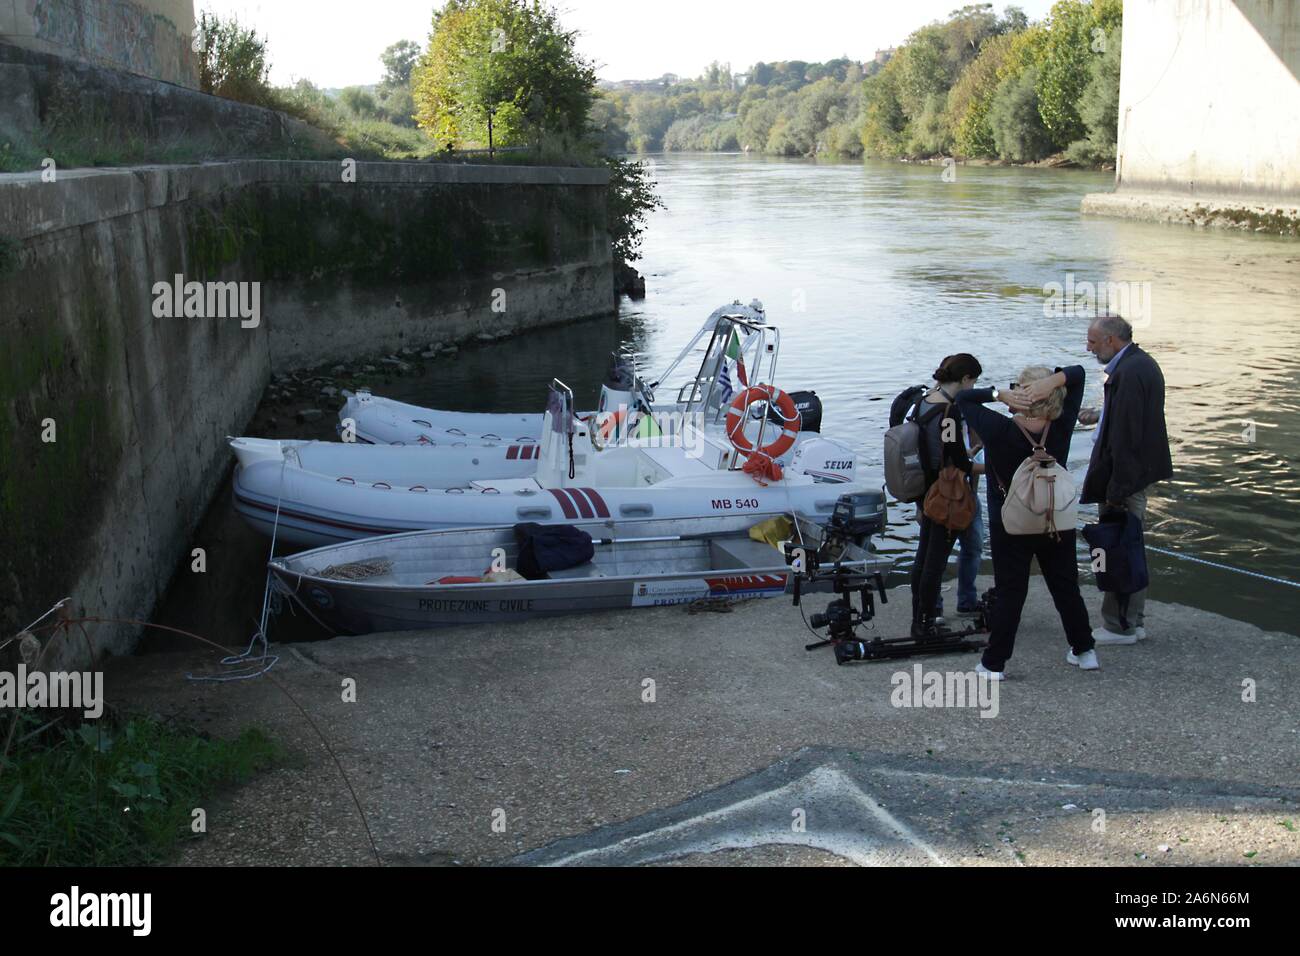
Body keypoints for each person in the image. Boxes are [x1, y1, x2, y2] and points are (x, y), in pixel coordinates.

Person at [956, 365, 1096, 678]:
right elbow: (1078, 374)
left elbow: (964, 400)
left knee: (1010, 592)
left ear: (1021, 394)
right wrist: (1053, 381)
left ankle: (993, 664)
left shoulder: (997, 428)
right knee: (1065, 587)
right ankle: (1085, 651)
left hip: (1012, 524)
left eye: (1017, 387)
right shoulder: (1060, 425)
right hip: (1054, 519)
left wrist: (997, 393)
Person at [1081, 315, 1173, 644]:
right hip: (1135, 473)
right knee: (1130, 544)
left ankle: (1119, 626)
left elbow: (1126, 437)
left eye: (1093, 341)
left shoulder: (1129, 373)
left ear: (1111, 341)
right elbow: (1128, 420)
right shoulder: (1139, 364)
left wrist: (1116, 489)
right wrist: (1100, 415)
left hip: (1124, 479)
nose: (1088, 347)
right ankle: (1135, 620)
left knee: (1118, 546)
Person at [907, 354, 979, 638]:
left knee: (923, 559)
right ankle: (923, 625)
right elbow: (960, 460)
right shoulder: (950, 411)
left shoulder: (925, 400)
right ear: (964, 379)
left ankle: (919, 618)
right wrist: (997, 466)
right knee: (934, 564)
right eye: (973, 381)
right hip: (945, 494)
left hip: (925, 489)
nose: (973, 387)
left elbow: (935, 446)